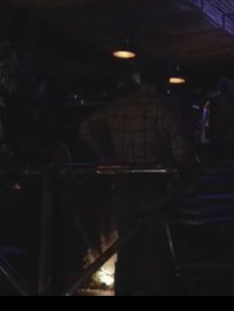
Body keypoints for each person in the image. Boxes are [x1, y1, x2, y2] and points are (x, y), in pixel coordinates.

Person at [80, 63, 193, 295]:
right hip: (155, 183)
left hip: (125, 182)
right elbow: (181, 147)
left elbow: (85, 127)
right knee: (157, 248)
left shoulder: (119, 105)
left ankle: (125, 291)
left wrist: (105, 157)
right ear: (162, 81)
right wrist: (181, 169)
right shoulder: (164, 106)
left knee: (127, 246)